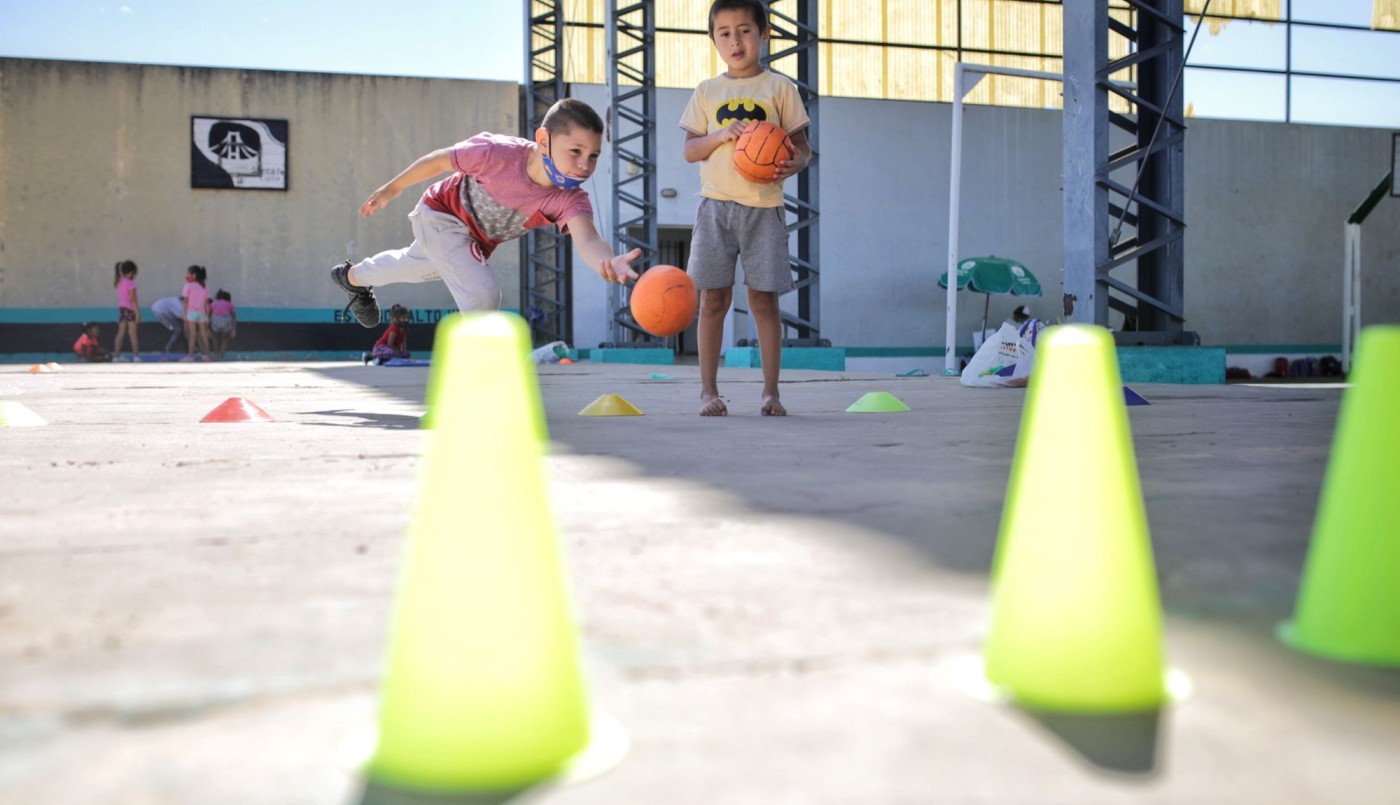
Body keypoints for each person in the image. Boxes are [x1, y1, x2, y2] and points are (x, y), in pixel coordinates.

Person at [328, 98, 640, 327]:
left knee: (408, 268)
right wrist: (393, 187)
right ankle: (468, 390)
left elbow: (588, 239)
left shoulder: (569, 199)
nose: (585, 165)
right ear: (543, 141)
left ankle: (351, 277)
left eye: (594, 156)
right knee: (484, 294)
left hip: (469, 240)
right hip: (439, 215)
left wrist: (607, 260)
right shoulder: (496, 153)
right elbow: (440, 160)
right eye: (575, 151)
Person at [680, 0, 811, 416]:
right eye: (725, 32)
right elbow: (689, 150)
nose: (735, 40)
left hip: (764, 207)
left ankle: (771, 392)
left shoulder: (780, 88)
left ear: (764, 32)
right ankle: (707, 391)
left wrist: (796, 162)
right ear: (713, 39)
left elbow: (804, 148)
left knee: (765, 302)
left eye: (745, 30)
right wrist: (719, 135)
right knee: (712, 301)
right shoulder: (706, 91)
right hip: (715, 208)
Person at [112, 260, 141, 361]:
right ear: (132, 272)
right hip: (130, 309)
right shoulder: (131, 283)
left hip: (121, 309)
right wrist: (137, 314)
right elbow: (133, 300)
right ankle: (136, 356)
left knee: (120, 333)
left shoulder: (119, 281)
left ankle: (116, 356)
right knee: (132, 334)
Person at [181, 265, 211, 362]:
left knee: (192, 334)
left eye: (189, 273)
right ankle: (206, 355)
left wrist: (184, 314)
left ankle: (190, 356)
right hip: (201, 313)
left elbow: (185, 301)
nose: (187, 275)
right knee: (203, 334)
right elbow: (207, 304)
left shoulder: (187, 286)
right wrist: (207, 316)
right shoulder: (204, 288)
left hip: (191, 313)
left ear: (194, 275)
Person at [209, 289, 238, 359]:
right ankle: (221, 353)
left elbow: (209, 315)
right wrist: (233, 330)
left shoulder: (213, 304)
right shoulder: (230, 305)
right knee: (225, 338)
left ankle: (216, 352)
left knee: (214, 336)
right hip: (226, 320)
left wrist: (207, 328)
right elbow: (233, 318)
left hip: (215, 320)